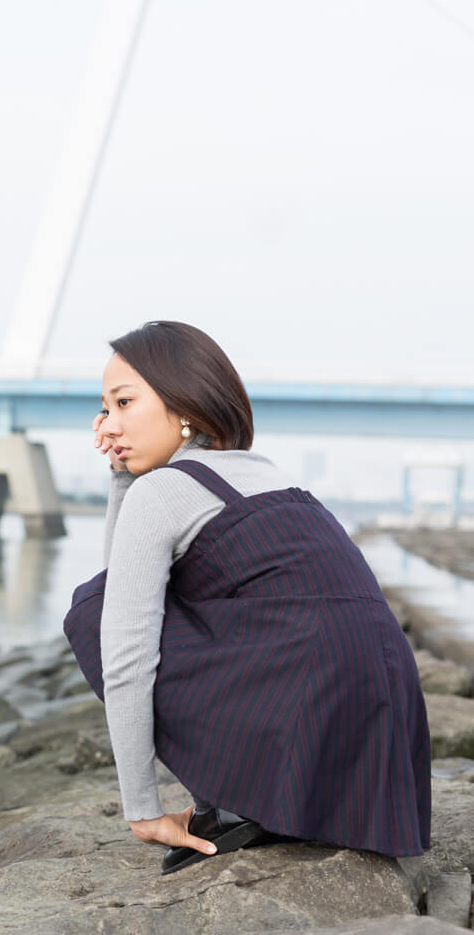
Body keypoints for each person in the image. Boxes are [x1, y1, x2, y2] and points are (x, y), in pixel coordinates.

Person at [63, 320, 431, 875]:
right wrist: (123, 475)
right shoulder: (268, 475)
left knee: (92, 610)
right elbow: (130, 581)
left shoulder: (165, 490)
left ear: (183, 402)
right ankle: (267, 795)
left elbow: (123, 637)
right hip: (381, 708)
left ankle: (242, 798)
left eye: (123, 402)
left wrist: (142, 809)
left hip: (302, 694)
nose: (108, 424)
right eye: (105, 409)